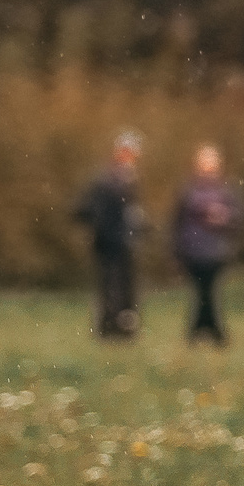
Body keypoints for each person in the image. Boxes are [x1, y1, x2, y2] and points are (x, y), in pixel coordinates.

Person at [72, 132, 145, 339]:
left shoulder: (129, 177)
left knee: (125, 288)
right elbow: (88, 209)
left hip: (124, 242)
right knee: (111, 288)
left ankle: (124, 328)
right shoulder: (107, 179)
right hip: (110, 242)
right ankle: (111, 328)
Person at [173, 144, 242, 346]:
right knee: (202, 292)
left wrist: (224, 217)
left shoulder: (225, 191)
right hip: (194, 250)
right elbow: (177, 223)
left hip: (216, 251)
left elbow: (238, 217)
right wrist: (178, 250)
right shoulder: (188, 192)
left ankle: (203, 331)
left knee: (209, 292)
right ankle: (210, 331)